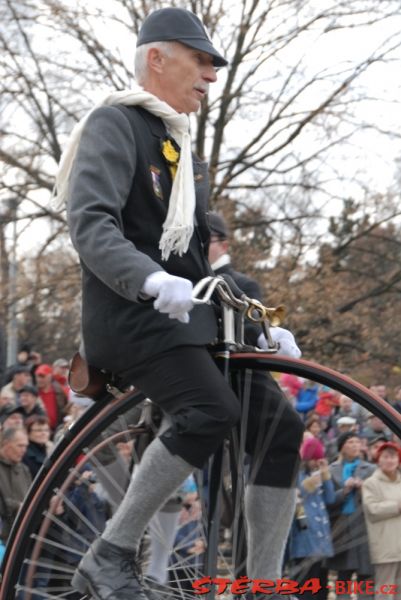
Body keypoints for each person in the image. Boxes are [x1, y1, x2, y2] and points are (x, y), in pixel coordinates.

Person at [56, 7, 303, 599]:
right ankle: (109, 554)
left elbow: (195, 270)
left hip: (187, 324)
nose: (211, 76)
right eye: (200, 61)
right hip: (131, 318)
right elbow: (90, 224)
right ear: (158, 59)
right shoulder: (113, 125)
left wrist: (255, 328)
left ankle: (259, 586)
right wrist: (146, 277)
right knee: (209, 411)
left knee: (282, 427)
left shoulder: (180, 148)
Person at [208, 210, 304, 579]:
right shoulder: (185, 274)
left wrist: (265, 334)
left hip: (231, 371)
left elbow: (250, 319)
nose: (202, 246)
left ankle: (262, 574)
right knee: (284, 430)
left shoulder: (237, 281)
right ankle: (263, 577)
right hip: (211, 376)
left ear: (223, 244)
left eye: (208, 240)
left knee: (285, 428)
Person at [326, 432, 375, 599]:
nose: (355, 445)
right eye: (350, 442)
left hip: (364, 528)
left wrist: (363, 490)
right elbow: (327, 500)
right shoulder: (332, 470)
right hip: (342, 527)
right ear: (341, 447)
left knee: (366, 575)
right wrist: (344, 491)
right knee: (343, 576)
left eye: (357, 442)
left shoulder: (370, 469)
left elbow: (376, 496)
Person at [286, 437, 335, 600]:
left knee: (321, 586)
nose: (316, 463)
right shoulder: (296, 475)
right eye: (313, 459)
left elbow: (331, 499)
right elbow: (292, 500)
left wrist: (326, 476)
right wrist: (306, 487)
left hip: (321, 540)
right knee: (305, 587)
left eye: (318, 459)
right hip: (304, 540)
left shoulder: (319, 475)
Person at [362, 441, 401, 600]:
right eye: (386, 457)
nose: (390, 461)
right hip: (385, 545)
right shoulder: (371, 483)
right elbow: (372, 509)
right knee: (385, 589)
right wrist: (397, 507)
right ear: (378, 459)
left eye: (393, 457)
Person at [0, 427, 31, 544]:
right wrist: (17, 506)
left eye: (26, 446)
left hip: (20, 536)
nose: (24, 450)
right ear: (6, 443)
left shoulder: (24, 470)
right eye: (20, 446)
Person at [34, 363, 69, 433]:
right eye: (37, 376)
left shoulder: (60, 391)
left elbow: (66, 409)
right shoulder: (33, 393)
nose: (39, 379)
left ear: (50, 376)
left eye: (42, 376)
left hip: (57, 429)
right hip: (39, 430)